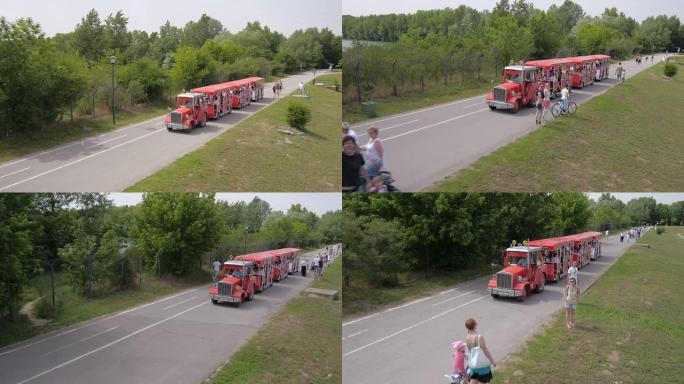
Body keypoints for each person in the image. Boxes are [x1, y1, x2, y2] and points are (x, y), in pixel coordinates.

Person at [465, 318, 495, 383]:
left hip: (473, 365)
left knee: (473, 380)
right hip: (481, 365)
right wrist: (492, 361)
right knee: (483, 382)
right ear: (475, 325)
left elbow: (470, 352)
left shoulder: (467, 338)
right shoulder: (479, 337)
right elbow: (485, 351)